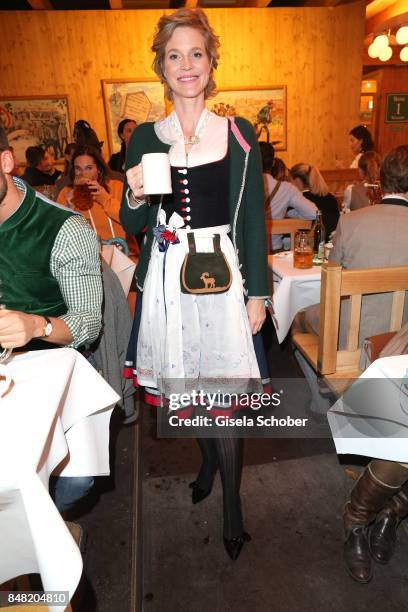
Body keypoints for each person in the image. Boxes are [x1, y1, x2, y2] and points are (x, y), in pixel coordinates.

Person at [120, 7, 269, 560]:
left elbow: (252, 216)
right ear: (161, 66)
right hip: (165, 278)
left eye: (196, 54)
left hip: (222, 276)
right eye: (174, 55)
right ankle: (206, 460)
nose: (186, 65)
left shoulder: (236, 133)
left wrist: (259, 295)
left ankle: (232, 505)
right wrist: (135, 194)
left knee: (223, 392)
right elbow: (134, 222)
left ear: (211, 64)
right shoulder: (143, 140)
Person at [0, 126, 103, 531]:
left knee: (77, 478)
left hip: (50, 366)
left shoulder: (64, 228)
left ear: (6, 163)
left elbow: (87, 323)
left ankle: (43, 530)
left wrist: (35, 325)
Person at [57, 144, 126, 242]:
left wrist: (105, 199)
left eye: (88, 168)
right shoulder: (66, 194)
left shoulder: (117, 187)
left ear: (98, 170)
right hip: (88, 255)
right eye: (78, 169)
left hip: (124, 252)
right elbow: (61, 236)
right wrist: (70, 209)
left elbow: (131, 222)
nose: (83, 174)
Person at [259, 142, 316, 251]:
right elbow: (314, 213)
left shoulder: (241, 186)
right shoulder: (286, 189)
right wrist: (288, 213)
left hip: (247, 251)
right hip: (275, 251)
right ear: (273, 163)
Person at [290, 162, 339, 240]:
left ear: (297, 181)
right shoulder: (331, 198)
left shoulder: (298, 200)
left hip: (307, 247)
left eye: (290, 181)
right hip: (331, 244)